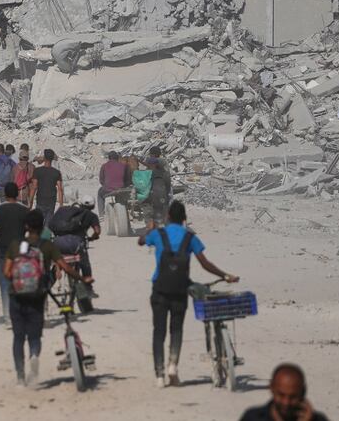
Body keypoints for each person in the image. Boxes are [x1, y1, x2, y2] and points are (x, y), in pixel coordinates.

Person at [139, 200, 239, 387]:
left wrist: (149, 230)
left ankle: (159, 375)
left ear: (168, 217)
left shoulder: (159, 234)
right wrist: (225, 275)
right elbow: (205, 263)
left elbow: (140, 241)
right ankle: (173, 366)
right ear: (184, 218)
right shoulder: (190, 237)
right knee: (176, 329)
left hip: (159, 289)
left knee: (159, 331)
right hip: (180, 289)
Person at [4, 209, 92, 385]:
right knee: (34, 336)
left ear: (26, 226)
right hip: (37, 296)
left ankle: (20, 377)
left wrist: (18, 280)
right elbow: (65, 267)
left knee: (18, 337)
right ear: (42, 226)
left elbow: (6, 272)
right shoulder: (47, 246)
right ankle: (34, 355)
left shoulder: (15, 245)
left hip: (17, 296)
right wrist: (82, 278)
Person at [0, 181, 30, 325]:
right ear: (17, 194)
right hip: (21, 250)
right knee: (20, 281)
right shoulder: (25, 210)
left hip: (3, 251)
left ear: (5, 194)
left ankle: (7, 316)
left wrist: (0, 233)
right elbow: (30, 229)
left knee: (4, 282)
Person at [240, 364, 329, 421]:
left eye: (293, 397)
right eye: (281, 395)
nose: (286, 402)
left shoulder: (318, 419)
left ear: (303, 392)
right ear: (272, 388)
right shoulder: (252, 418)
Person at [29, 148, 63, 224]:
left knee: (38, 222)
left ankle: (39, 231)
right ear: (52, 159)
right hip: (51, 201)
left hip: (40, 200)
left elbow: (34, 187)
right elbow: (60, 189)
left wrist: (30, 201)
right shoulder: (56, 172)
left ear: (44, 158)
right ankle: (46, 232)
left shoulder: (37, 171)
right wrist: (61, 205)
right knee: (48, 223)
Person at [143, 147, 172, 230]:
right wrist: (167, 190)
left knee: (146, 204)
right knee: (167, 203)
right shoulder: (164, 162)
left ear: (151, 154)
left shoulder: (148, 162)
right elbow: (167, 176)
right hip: (162, 188)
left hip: (151, 189)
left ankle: (149, 224)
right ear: (159, 154)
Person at [98, 150, 131, 215]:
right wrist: (124, 185)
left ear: (109, 158)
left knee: (99, 194)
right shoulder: (124, 166)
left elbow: (101, 180)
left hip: (108, 189)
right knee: (121, 194)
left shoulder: (104, 166)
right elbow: (128, 179)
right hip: (121, 188)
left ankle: (101, 214)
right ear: (118, 158)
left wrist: (106, 185)